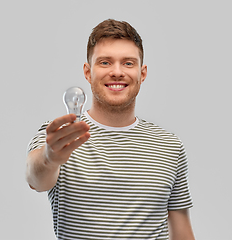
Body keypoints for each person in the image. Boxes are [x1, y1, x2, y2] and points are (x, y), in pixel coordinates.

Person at [26, 19, 195, 240]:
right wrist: (50, 158)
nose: (117, 72)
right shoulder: (60, 138)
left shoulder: (169, 146)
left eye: (128, 63)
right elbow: (35, 178)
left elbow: (182, 232)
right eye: (105, 63)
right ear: (88, 72)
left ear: (142, 74)